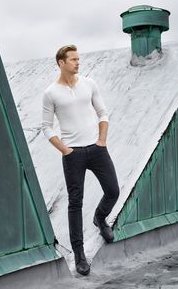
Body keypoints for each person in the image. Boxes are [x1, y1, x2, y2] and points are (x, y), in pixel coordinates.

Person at [42, 45, 120, 276]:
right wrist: (65, 150)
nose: (78, 63)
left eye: (79, 59)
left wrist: (102, 140)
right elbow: (46, 127)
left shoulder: (89, 84)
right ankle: (79, 254)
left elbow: (102, 112)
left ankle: (100, 217)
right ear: (61, 62)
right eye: (73, 59)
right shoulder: (51, 93)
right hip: (72, 154)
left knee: (113, 190)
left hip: (97, 149)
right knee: (75, 203)